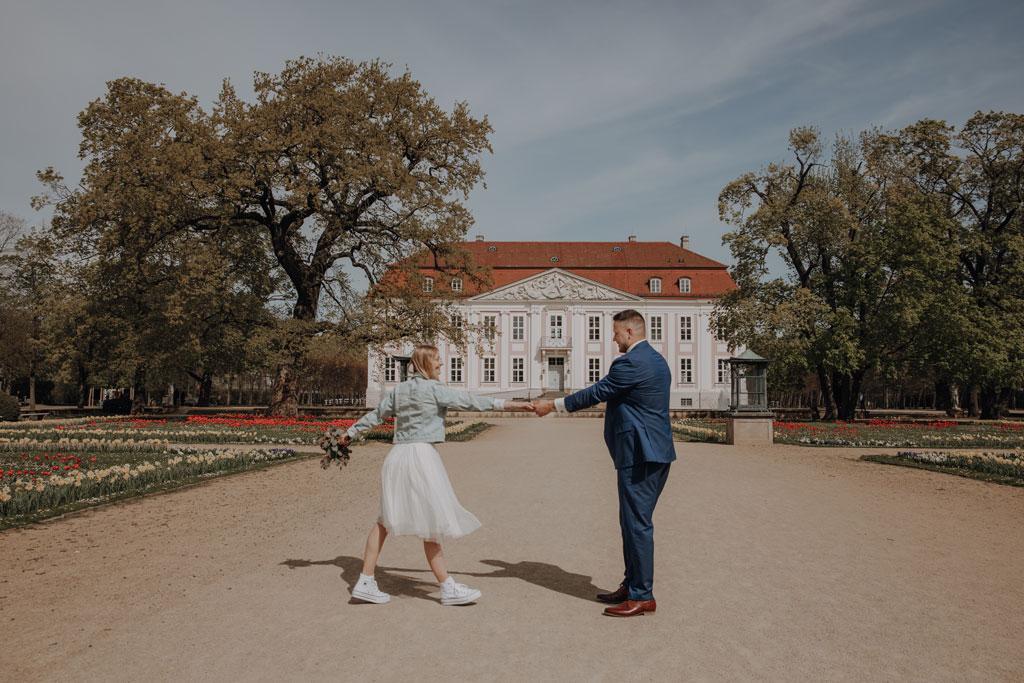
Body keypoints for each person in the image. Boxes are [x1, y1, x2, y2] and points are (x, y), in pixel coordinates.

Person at [341, 344, 533, 606]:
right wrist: (513, 404)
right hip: (421, 456)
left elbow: (376, 416)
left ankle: (365, 580)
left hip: (397, 457)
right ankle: (447, 587)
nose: (442, 364)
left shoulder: (401, 390)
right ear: (426, 363)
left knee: (384, 520)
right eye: (438, 360)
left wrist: (349, 432)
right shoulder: (435, 389)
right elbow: (473, 402)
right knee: (431, 521)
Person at [533, 309, 675, 617]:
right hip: (651, 452)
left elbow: (598, 392)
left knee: (637, 524)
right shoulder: (657, 360)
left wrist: (553, 405)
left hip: (640, 454)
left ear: (629, 333)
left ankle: (642, 595)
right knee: (631, 522)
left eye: (615, 333)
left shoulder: (631, 362)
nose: (612, 339)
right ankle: (632, 584)